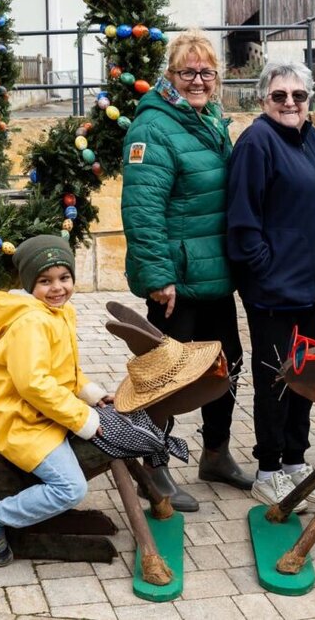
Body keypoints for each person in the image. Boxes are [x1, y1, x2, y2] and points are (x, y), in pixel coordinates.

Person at [121, 28, 250, 510]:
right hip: (178, 280)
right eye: (188, 71)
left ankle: (215, 453)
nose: (198, 79)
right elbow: (141, 206)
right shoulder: (153, 127)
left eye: (207, 72)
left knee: (226, 364)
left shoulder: (211, 119)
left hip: (215, 274)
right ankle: (153, 469)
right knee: (167, 375)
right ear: (170, 75)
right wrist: (157, 277)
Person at [226, 61, 315, 509]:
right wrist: (265, 270)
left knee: (305, 376)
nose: (290, 102)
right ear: (262, 99)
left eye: (298, 95)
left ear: (310, 100)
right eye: (279, 95)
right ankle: (268, 469)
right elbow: (242, 221)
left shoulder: (310, 137)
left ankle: (295, 461)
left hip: (308, 288)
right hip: (274, 292)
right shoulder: (257, 142)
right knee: (276, 379)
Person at [0, 235, 112, 567]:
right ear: (30, 284)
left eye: (64, 278)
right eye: (45, 281)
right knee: (70, 489)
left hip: (44, 414)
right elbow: (35, 384)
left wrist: (92, 394)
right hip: (22, 422)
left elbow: (66, 371)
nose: (57, 288)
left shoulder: (60, 312)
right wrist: (83, 418)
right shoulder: (31, 323)